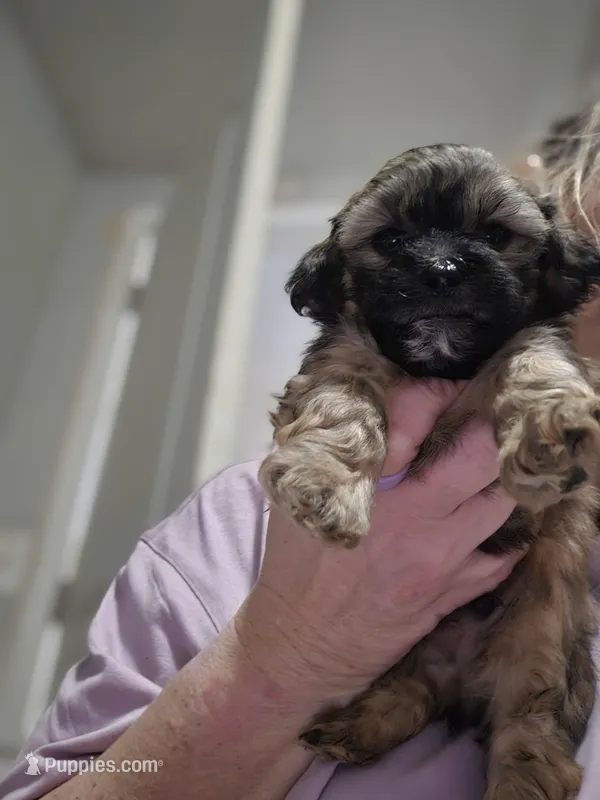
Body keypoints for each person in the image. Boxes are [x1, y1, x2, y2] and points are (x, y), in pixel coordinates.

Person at [3, 111, 600, 800]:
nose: (441, 267)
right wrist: (287, 653)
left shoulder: (542, 388)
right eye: (395, 241)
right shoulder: (237, 529)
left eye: (494, 240)